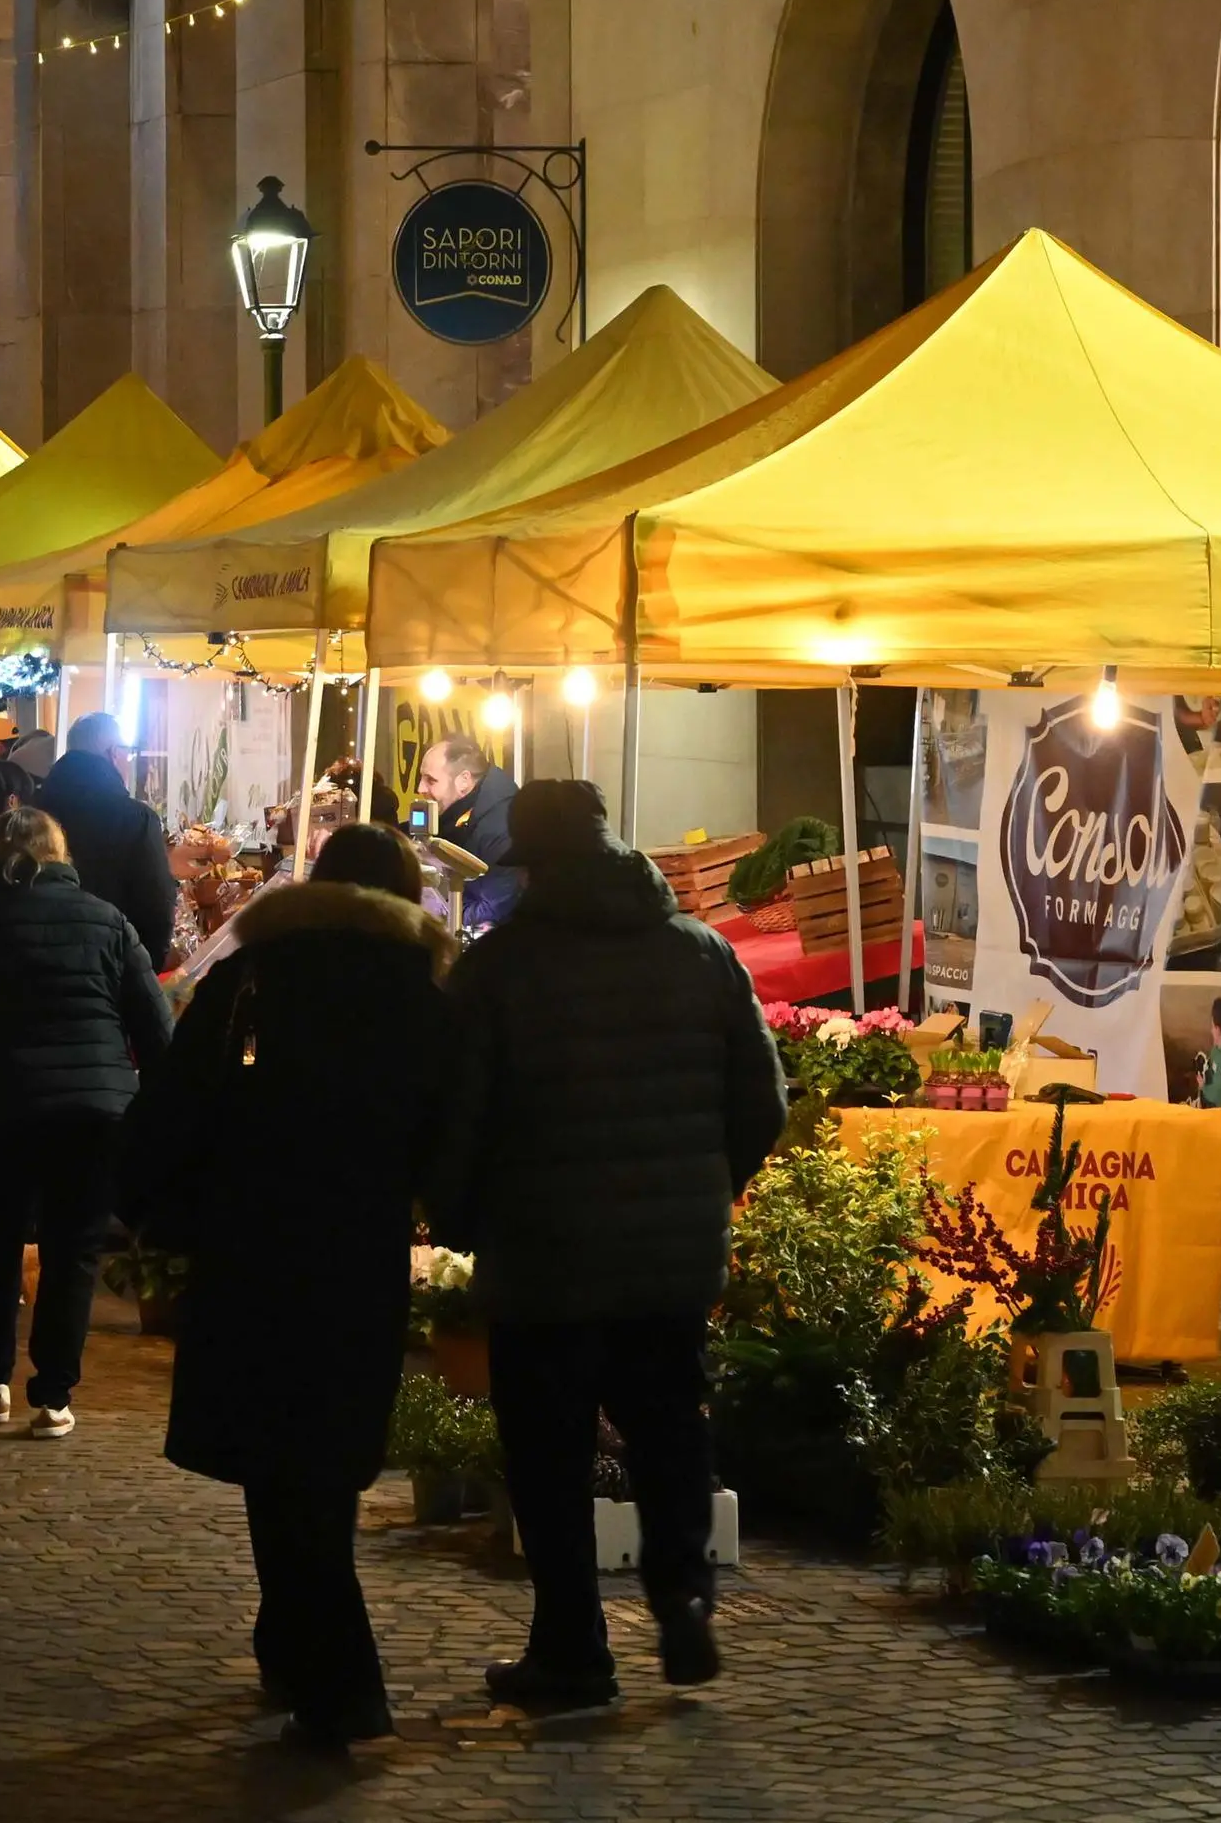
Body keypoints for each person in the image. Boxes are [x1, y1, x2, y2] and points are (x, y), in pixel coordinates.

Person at [423, 779, 786, 1711]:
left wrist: (458, 1219)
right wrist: (707, 1185)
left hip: (542, 1252)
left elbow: (457, 1114)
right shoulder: (702, 954)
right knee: (669, 1431)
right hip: (667, 1258)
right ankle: (681, 1594)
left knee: (548, 1457)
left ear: (534, 862)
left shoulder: (500, 969)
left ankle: (573, 1648)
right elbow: (763, 1104)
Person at [119, 823, 453, 1749]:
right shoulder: (423, 996)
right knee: (329, 1455)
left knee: (279, 1462)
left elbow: (174, 1111)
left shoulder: (252, 979)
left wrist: (151, 1214)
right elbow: (453, 1130)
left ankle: (339, 1678)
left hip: (253, 1248)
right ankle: (297, 1641)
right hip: (362, 1252)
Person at [0, 806, 169, 1437]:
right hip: (94, 1112)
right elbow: (155, 1027)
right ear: (62, 856)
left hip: (1, 1107)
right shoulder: (108, 921)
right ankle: (53, 1395)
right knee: (72, 1252)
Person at [34, 714, 181, 971]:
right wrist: (146, 971)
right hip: (113, 965)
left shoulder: (33, 808)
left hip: (38, 962)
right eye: (127, 752)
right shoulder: (136, 819)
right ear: (114, 754)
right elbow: (156, 906)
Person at [417, 734, 519, 869]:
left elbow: (495, 887)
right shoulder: (452, 818)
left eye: (431, 780)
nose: (420, 788)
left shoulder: (500, 830)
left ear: (464, 781)